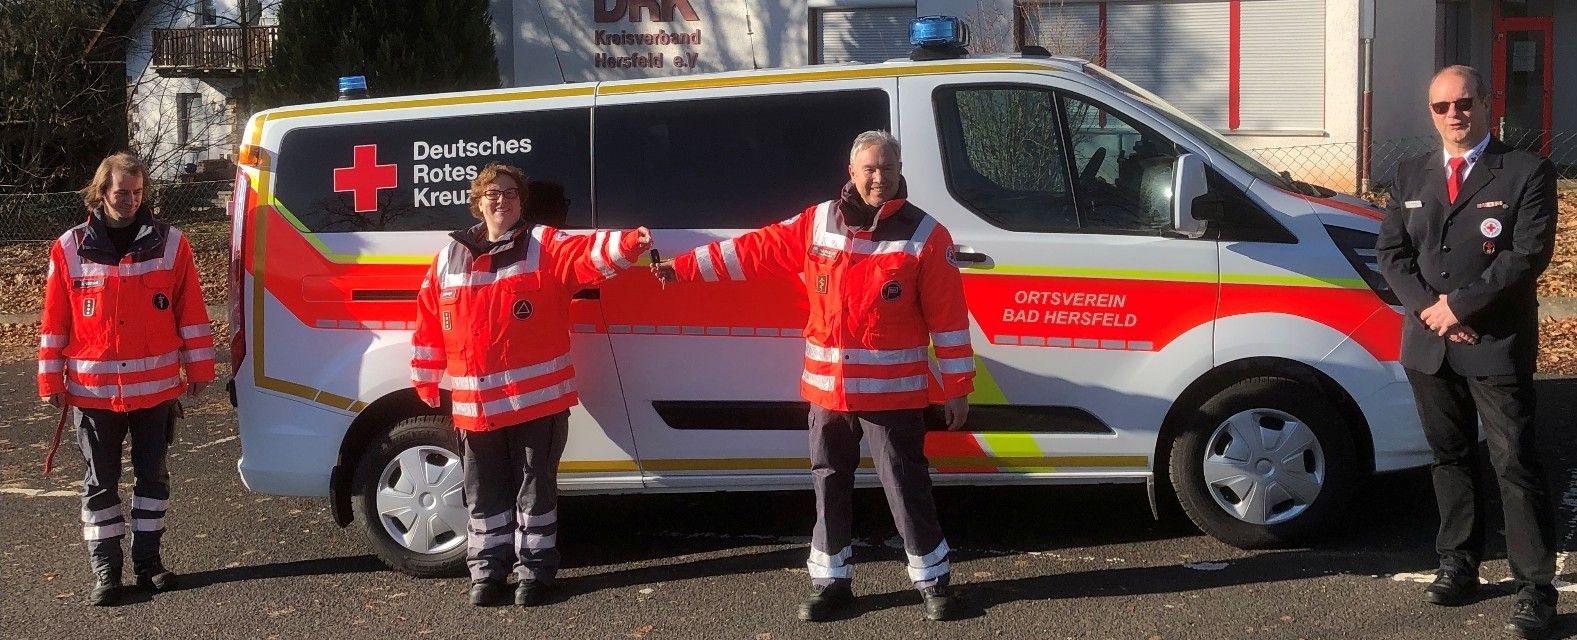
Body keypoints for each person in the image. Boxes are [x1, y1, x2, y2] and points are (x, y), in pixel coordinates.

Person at [653, 130, 976, 622]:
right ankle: (832, 583)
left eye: (887, 168)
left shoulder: (926, 235)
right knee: (828, 485)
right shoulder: (818, 221)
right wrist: (681, 268)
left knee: (907, 487)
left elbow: (949, 319)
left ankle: (933, 582)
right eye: (869, 168)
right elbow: (752, 251)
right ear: (851, 172)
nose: (878, 177)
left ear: (898, 171)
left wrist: (957, 387)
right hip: (827, 393)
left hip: (893, 396)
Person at [410, 163, 651, 607]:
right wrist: (425, 375)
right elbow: (429, 315)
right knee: (483, 495)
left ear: (522, 201)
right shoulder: (449, 255)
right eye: (491, 193)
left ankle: (535, 574)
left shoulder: (545, 243)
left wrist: (631, 243)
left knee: (535, 490)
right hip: (477, 406)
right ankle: (486, 573)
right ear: (477, 201)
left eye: (509, 193)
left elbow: (589, 255)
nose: (500, 200)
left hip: (535, 404)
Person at [1376, 65, 1559, 639]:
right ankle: (1459, 563)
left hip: (1493, 343)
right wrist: (1431, 310)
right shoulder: (1409, 173)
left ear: (1486, 104)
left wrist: (1459, 308)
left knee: (1515, 464)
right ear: (1431, 113)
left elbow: (1526, 256)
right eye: (1441, 107)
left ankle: (1535, 588)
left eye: (1464, 103)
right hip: (1430, 346)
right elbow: (1391, 253)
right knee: (1449, 458)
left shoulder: (1527, 171)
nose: (1454, 114)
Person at [38, 152, 216, 606]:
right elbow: (55, 321)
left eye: (138, 193)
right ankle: (106, 571)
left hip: (155, 392)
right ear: (102, 192)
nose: (131, 201)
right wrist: (49, 380)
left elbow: (191, 312)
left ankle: (149, 563)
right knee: (100, 483)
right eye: (122, 193)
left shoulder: (172, 245)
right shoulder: (70, 247)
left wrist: (199, 368)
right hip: (94, 394)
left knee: (152, 479)